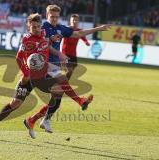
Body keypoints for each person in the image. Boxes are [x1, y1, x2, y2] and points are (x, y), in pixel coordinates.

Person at [0, 13, 95, 140]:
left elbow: (47, 45)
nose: (37, 29)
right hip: (29, 77)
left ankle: (75, 102)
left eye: (38, 26)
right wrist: (26, 74)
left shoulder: (43, 33)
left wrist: (57, 50)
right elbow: (19, 58)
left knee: (59, 90)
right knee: (15, 104)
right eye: (34, 27)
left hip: (43, 74)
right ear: (29, 27)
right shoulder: (26, 40)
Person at [23, 4, 111, 137]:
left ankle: (33, 120)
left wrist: (99, 28)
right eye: (52, 16)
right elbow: (42, 43)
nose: (54, 19)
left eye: (56, 17)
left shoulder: (60, 28)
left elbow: (79, 33)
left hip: (55, 65)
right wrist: (55, 48)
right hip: (43, 64)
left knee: (56, 100)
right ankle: (80, 101)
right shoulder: (43, 28)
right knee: (63, 83)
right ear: (47, 16)